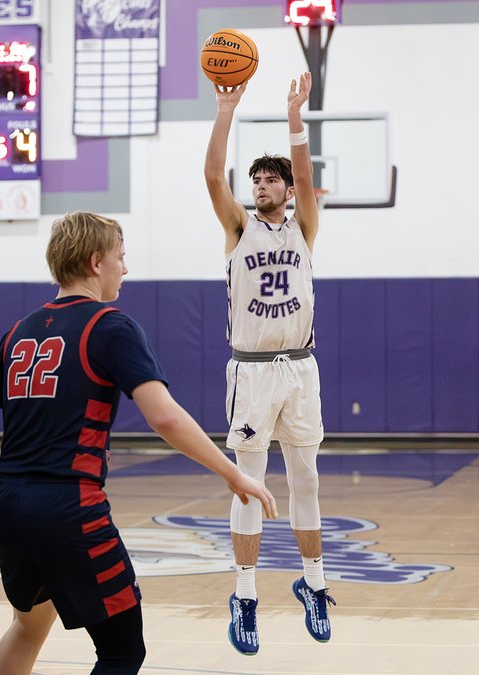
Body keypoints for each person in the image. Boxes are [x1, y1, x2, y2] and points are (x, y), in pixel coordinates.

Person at [0, 211, 278, 674]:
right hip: (69, 508)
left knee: (28, 628)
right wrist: (233, 473)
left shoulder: (17, 332)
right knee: (122, 652)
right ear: (95, 262)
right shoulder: (111, 326)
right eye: (120, 257)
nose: (125, 269)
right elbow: (164, 416)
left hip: (9, 505)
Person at [204, 71, 335, 656]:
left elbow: (305, 174)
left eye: (270, 179)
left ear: (286, 190)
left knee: (306, 479)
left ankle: (314, 585)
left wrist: (294, 115)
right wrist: (225, 110)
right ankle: (245, 596)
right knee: (249, 485)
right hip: (253, 371)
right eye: (256, 179)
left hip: (300, 368)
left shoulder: (305, 226)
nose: (261, 185)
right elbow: (213, 177)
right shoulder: (239, 227)